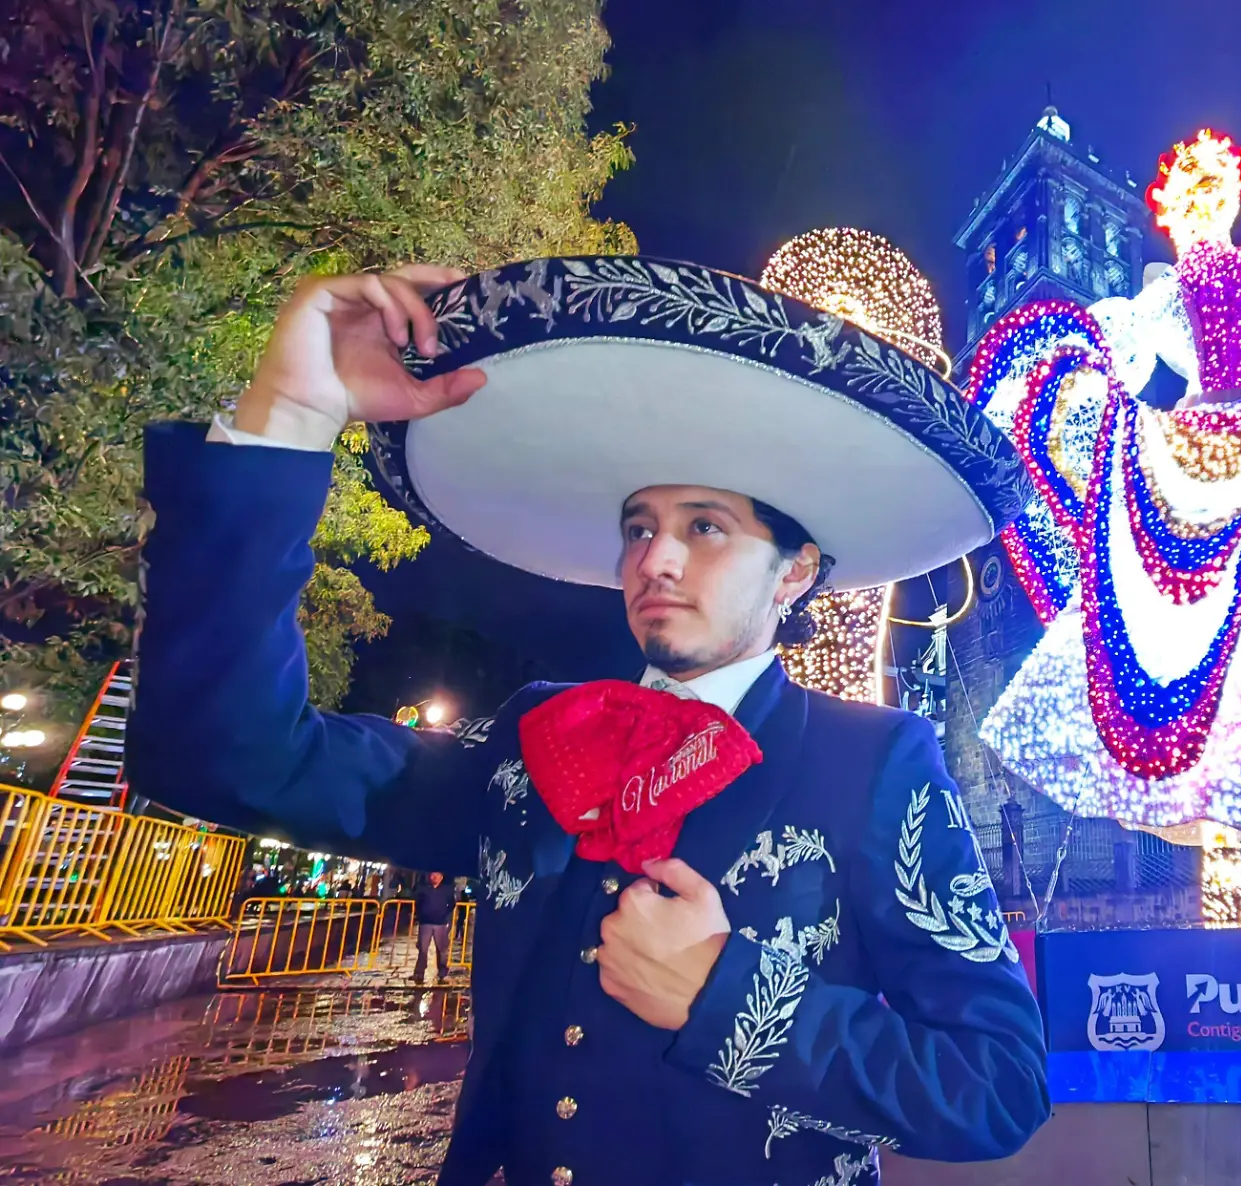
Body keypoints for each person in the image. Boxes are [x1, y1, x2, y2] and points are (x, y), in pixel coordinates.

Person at [128, 255, 1045, 1186]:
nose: (658, 560)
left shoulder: (874, 760)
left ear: (797, 570)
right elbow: (226, 756)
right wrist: (291, 414)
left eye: (707, 527)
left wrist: (722, 998)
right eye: (641, 527)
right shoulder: (533, 741)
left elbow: (995, 1084)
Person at [413, 871, 457, 984]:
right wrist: (421, 914)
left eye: (437, 875)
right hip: (425, 923)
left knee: (442, 950)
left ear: (441, 877)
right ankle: (419, 973)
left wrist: (445, 915)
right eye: (432, 874)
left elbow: (452, 904)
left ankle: (442, 973)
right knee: (423, 949)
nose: (435, 877)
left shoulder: (447, 889)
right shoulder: (423, 888)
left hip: (440, 923)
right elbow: (417, 902)